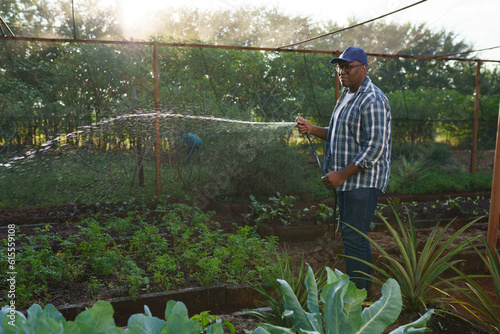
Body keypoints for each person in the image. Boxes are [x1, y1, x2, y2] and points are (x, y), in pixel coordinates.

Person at [296, 46, 392, 297]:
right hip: (347, 182)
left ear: (364, 68)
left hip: (362, 181)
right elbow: (339, 133)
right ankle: (363, 289)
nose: (342, 72)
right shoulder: (348, 95)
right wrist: (312, 129)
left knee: (354, 236)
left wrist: (341, 174)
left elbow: (375, 146)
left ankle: (361, 292)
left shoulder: (373, 98)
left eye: (347, 67)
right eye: (340, 67)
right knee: (352, 235)